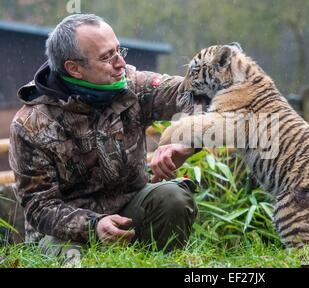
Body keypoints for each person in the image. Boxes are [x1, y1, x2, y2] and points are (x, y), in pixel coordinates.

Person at [8, 14, 198, 261]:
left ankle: (162, 263)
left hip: (131, 208)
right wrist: (93, 226)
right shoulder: (31, 124)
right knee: (76, 259)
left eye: (120, 51)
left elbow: (201, 95)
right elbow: (40, 207)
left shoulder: (132, 86)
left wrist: (187, 142)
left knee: (173, 198)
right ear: (74, 68)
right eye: (107, 57)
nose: (120, 63)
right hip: (65, 234)